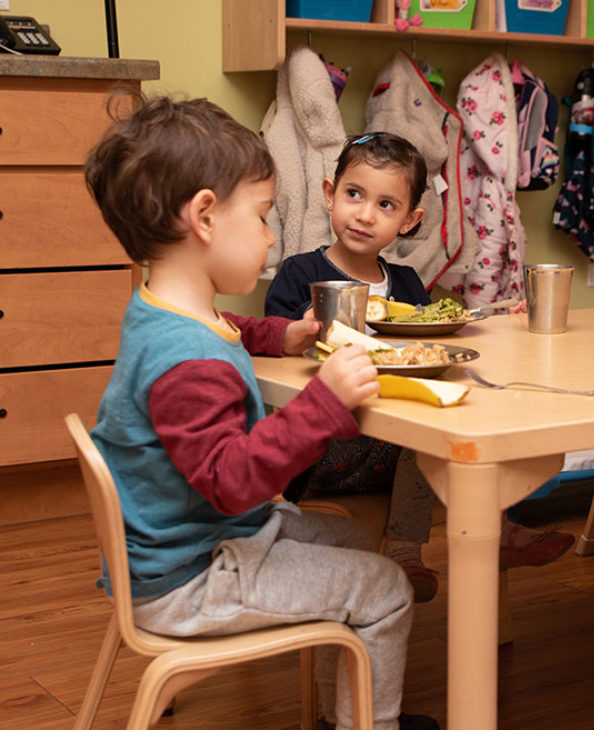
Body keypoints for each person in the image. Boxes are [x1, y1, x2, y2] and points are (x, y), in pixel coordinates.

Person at [83, 97, 437, 730]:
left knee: (356, 540)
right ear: (205, 218)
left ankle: (342, 711)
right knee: (386, 589)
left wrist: (279, 335)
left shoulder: (166, 311)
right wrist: (324, 402)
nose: (273, 236)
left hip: (182, 546)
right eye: (264, 216)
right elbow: (233, 481)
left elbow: (227, 328)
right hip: (192, 575)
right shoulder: (187, 363)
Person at [265, 132, 574, 603]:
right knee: (426, 436)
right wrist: (304, 332)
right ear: (330, 194)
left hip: (396, 441)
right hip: (328, 446)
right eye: (354, 195)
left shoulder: (407, 283)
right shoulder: (302, 274)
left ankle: (489, 534)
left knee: (463, 427)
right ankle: (423, 550)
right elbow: (279, 357)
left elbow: (429, 347)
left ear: (410, 221)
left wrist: (488, 325)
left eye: (386, 205)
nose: (366, 214)